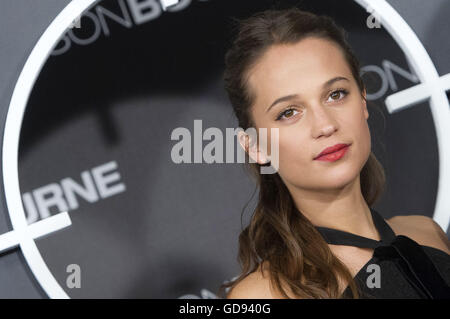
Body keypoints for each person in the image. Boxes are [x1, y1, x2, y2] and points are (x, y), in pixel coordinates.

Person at [219, 7, 450, 299]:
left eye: (336, 94)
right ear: (255, 146)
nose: (325, 125)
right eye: (289, 112)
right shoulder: (263, 295)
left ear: (363, 100)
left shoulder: (425, 232)